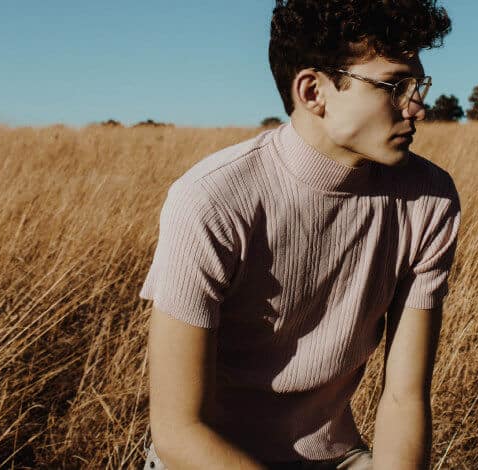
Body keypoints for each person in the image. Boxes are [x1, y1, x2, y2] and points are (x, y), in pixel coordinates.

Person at [139, 1, 459, 469]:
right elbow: (178, 431)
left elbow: (404, 398)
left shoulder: (428, 198)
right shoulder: (211, 199)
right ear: (314, 91)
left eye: (418, 84)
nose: (417, 107)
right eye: (395, 86)